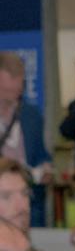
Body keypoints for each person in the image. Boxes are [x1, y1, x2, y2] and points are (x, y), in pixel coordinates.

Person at [0, 51, 53, 226]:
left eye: (18, 89)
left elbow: (41, 154)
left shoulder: (31, 115)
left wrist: (46, 168)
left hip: (29, 202)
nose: (14, 94)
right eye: (7, 90)